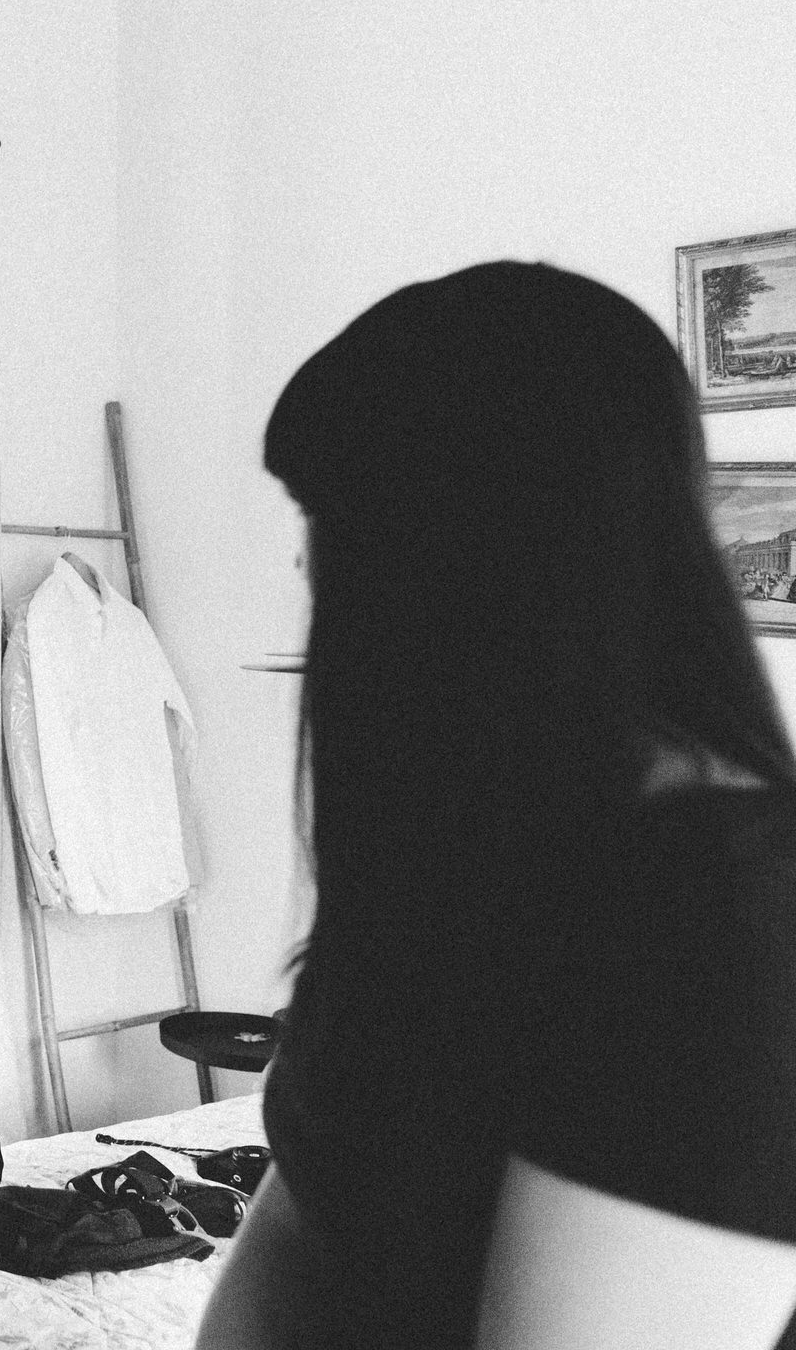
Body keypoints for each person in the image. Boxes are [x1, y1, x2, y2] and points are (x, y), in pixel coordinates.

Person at [195, 265, 796, 1350]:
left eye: (328, 519)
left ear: (462, 555)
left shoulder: (722, 919)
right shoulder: (468, 860)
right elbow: (305, 1238)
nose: (305, 562)